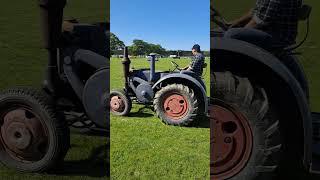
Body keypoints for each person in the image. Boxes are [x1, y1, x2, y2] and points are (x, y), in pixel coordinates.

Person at [224, 0, 302, 50]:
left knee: (231, 35)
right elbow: (255, 11)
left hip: (279, 37)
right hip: (270, 30)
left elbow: (262, 20)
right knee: (230, 31)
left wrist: (240, 30)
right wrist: (235, 23)